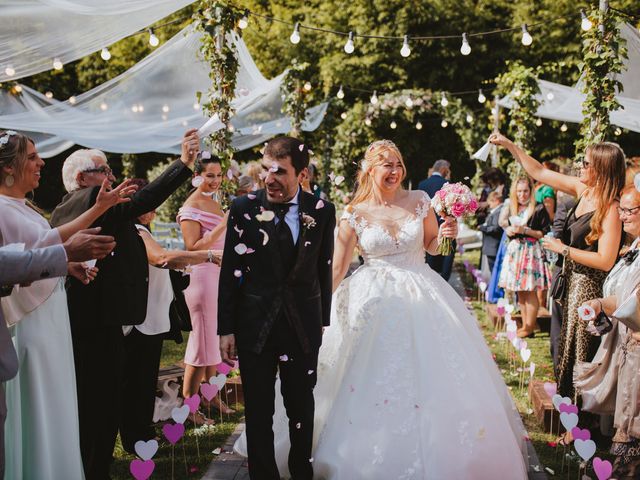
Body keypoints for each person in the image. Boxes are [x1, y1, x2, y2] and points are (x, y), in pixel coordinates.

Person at [234, 139, 528, 478]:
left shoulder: (420, 201)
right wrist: (308, 310)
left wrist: (449, 232)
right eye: (386, 164)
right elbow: (336, 269)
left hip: (423, 293)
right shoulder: (353, 214)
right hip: (370, 300)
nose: (394, 171)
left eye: (398, 164)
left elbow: (433, 246)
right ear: (369, 170)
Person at [49, 130, 198, 479]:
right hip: (94, 323)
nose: (112, 177)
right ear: (83, 178)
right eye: (105, 171)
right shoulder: (85, 200)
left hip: (100, 320)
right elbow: (142, 201)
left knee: (102, 401)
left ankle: (96, 463)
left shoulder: (84, 206)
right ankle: (93, 468)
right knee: (98, 404)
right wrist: (183, 164)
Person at [0, 129, 134, 479]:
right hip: (32, 323)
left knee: (58, 401)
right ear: (9, 169)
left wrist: (68, 265)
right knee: (41, 404)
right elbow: (29, 253)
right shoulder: (1, 207)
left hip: (50, 315)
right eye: (31, 157)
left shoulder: (22, 205)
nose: (41, 162)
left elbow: (40, 249)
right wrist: (70, 249)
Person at [218, 136, 336, 480]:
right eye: (266, 169)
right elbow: (230, 271)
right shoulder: (244, 208)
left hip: (302, 326)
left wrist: (321, 323)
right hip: (255, 325)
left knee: (302, 407)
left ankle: (301, 473)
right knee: (258, 411)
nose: (270, 178)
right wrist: (226, 327)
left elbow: (322, 271)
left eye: (280, 171)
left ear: (301, 174)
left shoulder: (321, 211)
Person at [490, 133, 625, 406]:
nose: (580, 167)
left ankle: (579, 421)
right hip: (568, 282)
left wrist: (563, 249)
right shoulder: (582, 190)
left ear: (601, 168)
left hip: (589, 289)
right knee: (560, 346)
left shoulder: (610, 208)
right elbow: (538, 170)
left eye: (585, 164)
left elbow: (605, 260)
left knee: (580, 353)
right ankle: (568, 414)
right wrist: (509, 145)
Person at [0, 233, 115, 478]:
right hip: (29, 319)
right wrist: (64, 253)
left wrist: (63, 264)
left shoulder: (29, 209)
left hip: (52, 311)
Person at [119, 180, 219, 452]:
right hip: (141, 322)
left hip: (151, 320)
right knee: (138, 383)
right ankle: (138, 438)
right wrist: (207, 256)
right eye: (148, 204)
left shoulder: (143, 229)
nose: (152, 210)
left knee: (143, 381)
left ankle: (142, 435)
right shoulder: (137, 231)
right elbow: (161, 258)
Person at [574, 182, 640, 477]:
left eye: (629, 210)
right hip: (627, 346)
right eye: (622, 209)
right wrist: (600, 304)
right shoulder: (634, 247)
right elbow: (624, 299)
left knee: (633, 421)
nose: (622, 216)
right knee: (625, 414)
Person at [178, 154, 232, 419]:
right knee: (200, 342)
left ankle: (210, 398)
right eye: (210, 175)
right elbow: (192, 248)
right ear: (196, 176)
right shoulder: (191, 206)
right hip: (202, 277)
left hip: (219, 277)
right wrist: (224, 224)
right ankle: (189, 404)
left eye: (219, 175)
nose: (215, 180)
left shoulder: (214, 203)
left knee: (212, 339)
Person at [498, 176, 552, 337]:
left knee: (530, 290)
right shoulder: (513, 208)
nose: (522, 194)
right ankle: (525, 325)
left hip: (530, 252)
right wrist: (509, 231)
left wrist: (525, 231)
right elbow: (506, 226)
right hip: (516, 251)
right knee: (520, 291)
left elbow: (543, 232)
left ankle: (530, 326)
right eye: (519, 191)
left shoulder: (538, 208)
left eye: (525, 191)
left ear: (531, 191)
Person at [549, 190, 577, 369]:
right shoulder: (568, 202)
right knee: (559, 323)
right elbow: (557, 232)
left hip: (589, 272)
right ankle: (560, 369)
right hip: (565, 270)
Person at [418, 159, 456, 280]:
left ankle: (431, 279)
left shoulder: (422, 184)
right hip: (445, 226)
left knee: (430, 256)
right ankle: (444, 280)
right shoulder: (447, 184)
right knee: (447, 254)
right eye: (448, 170)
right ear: (444, 170)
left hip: (426, 228)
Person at [478, 190, 504, 276]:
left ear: (496, 200)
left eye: (490, 202)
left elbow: (496, 228)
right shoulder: (496, 211)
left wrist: (482, 228)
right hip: (491, 247)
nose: (489, 205)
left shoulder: (498, 212)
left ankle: (496, 289)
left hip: (493, 247)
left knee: (494, 271)